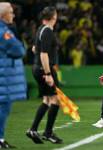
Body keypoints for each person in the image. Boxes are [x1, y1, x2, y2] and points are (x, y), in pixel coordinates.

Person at [26, 7, 62, 144]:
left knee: (47, 100)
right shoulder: (47, 30)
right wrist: (48, 74)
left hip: (37, 68)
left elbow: (35, 48)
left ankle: (33, 130)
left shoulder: (41, 28)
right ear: (54, 16)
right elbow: (43, 53)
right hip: (44, 69)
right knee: (56, 100)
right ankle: (48, 133)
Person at [0, 2, 27, 148]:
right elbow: (19, 50)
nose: (13, 15)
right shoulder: (3, 32)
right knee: (3, 107)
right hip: (3, 76)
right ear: (3, 15)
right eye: (11, 12)